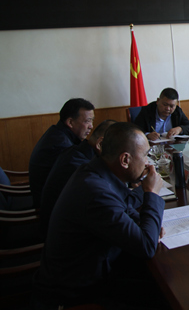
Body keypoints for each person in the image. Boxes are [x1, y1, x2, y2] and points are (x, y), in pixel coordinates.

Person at [32, 122, 166, 309]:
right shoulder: (95, 192)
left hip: (93, 268)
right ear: (125, 159)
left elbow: (124, 209)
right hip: (75, 292)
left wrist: (146, 226)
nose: (148, 163)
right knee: (161, 294)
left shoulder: (95, 172)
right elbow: (146, 246)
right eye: (145, 155)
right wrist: (151, 193)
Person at [40, 119, 134, 236]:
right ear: (100, 144)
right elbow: (117, 203)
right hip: (58, 234)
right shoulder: (80, 166)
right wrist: (147, 190)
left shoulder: (78, 153)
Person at [29, 98, 95, 208]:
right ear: (70, 122)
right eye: (87, 121)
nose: (91, 126)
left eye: (92, 121)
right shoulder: (61, 145)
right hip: (48, 206)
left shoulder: (57, 133)